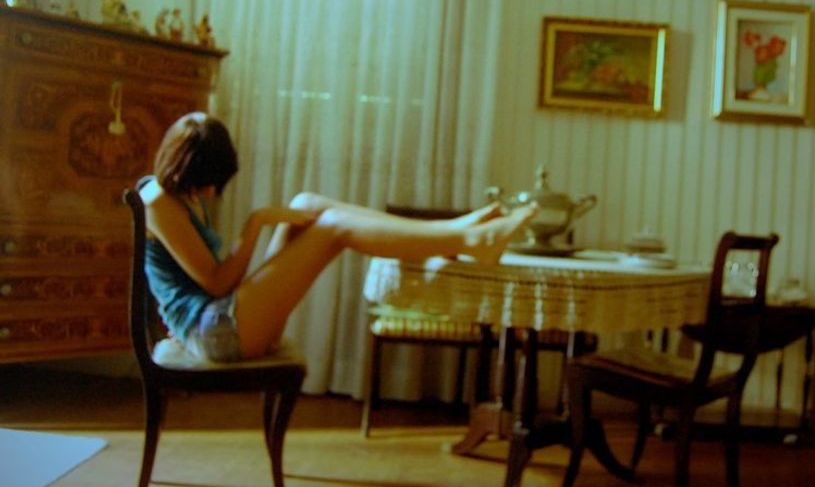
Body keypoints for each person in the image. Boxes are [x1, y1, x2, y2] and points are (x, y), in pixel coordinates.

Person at [138, 112, 537, 362]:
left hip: (223, 317)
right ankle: (466, 240)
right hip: (215, 331)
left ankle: (457, 231)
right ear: (182, 166)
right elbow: (217, 282)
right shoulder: (158, 202)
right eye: (206, 181)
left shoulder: (182, 193)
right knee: (334, 228)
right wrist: (256, 223)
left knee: (307, 203)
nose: (211, 191)